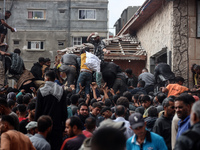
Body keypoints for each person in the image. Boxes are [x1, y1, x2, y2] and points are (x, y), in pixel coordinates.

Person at [35, 70, 67, 150]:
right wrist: (63, 127)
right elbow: (64, 111)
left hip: (43, 125)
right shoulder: (61, 91)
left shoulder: (41, 91)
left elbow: (38, 110)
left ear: (47, 78)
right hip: (57, 125)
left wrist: (36, 125)